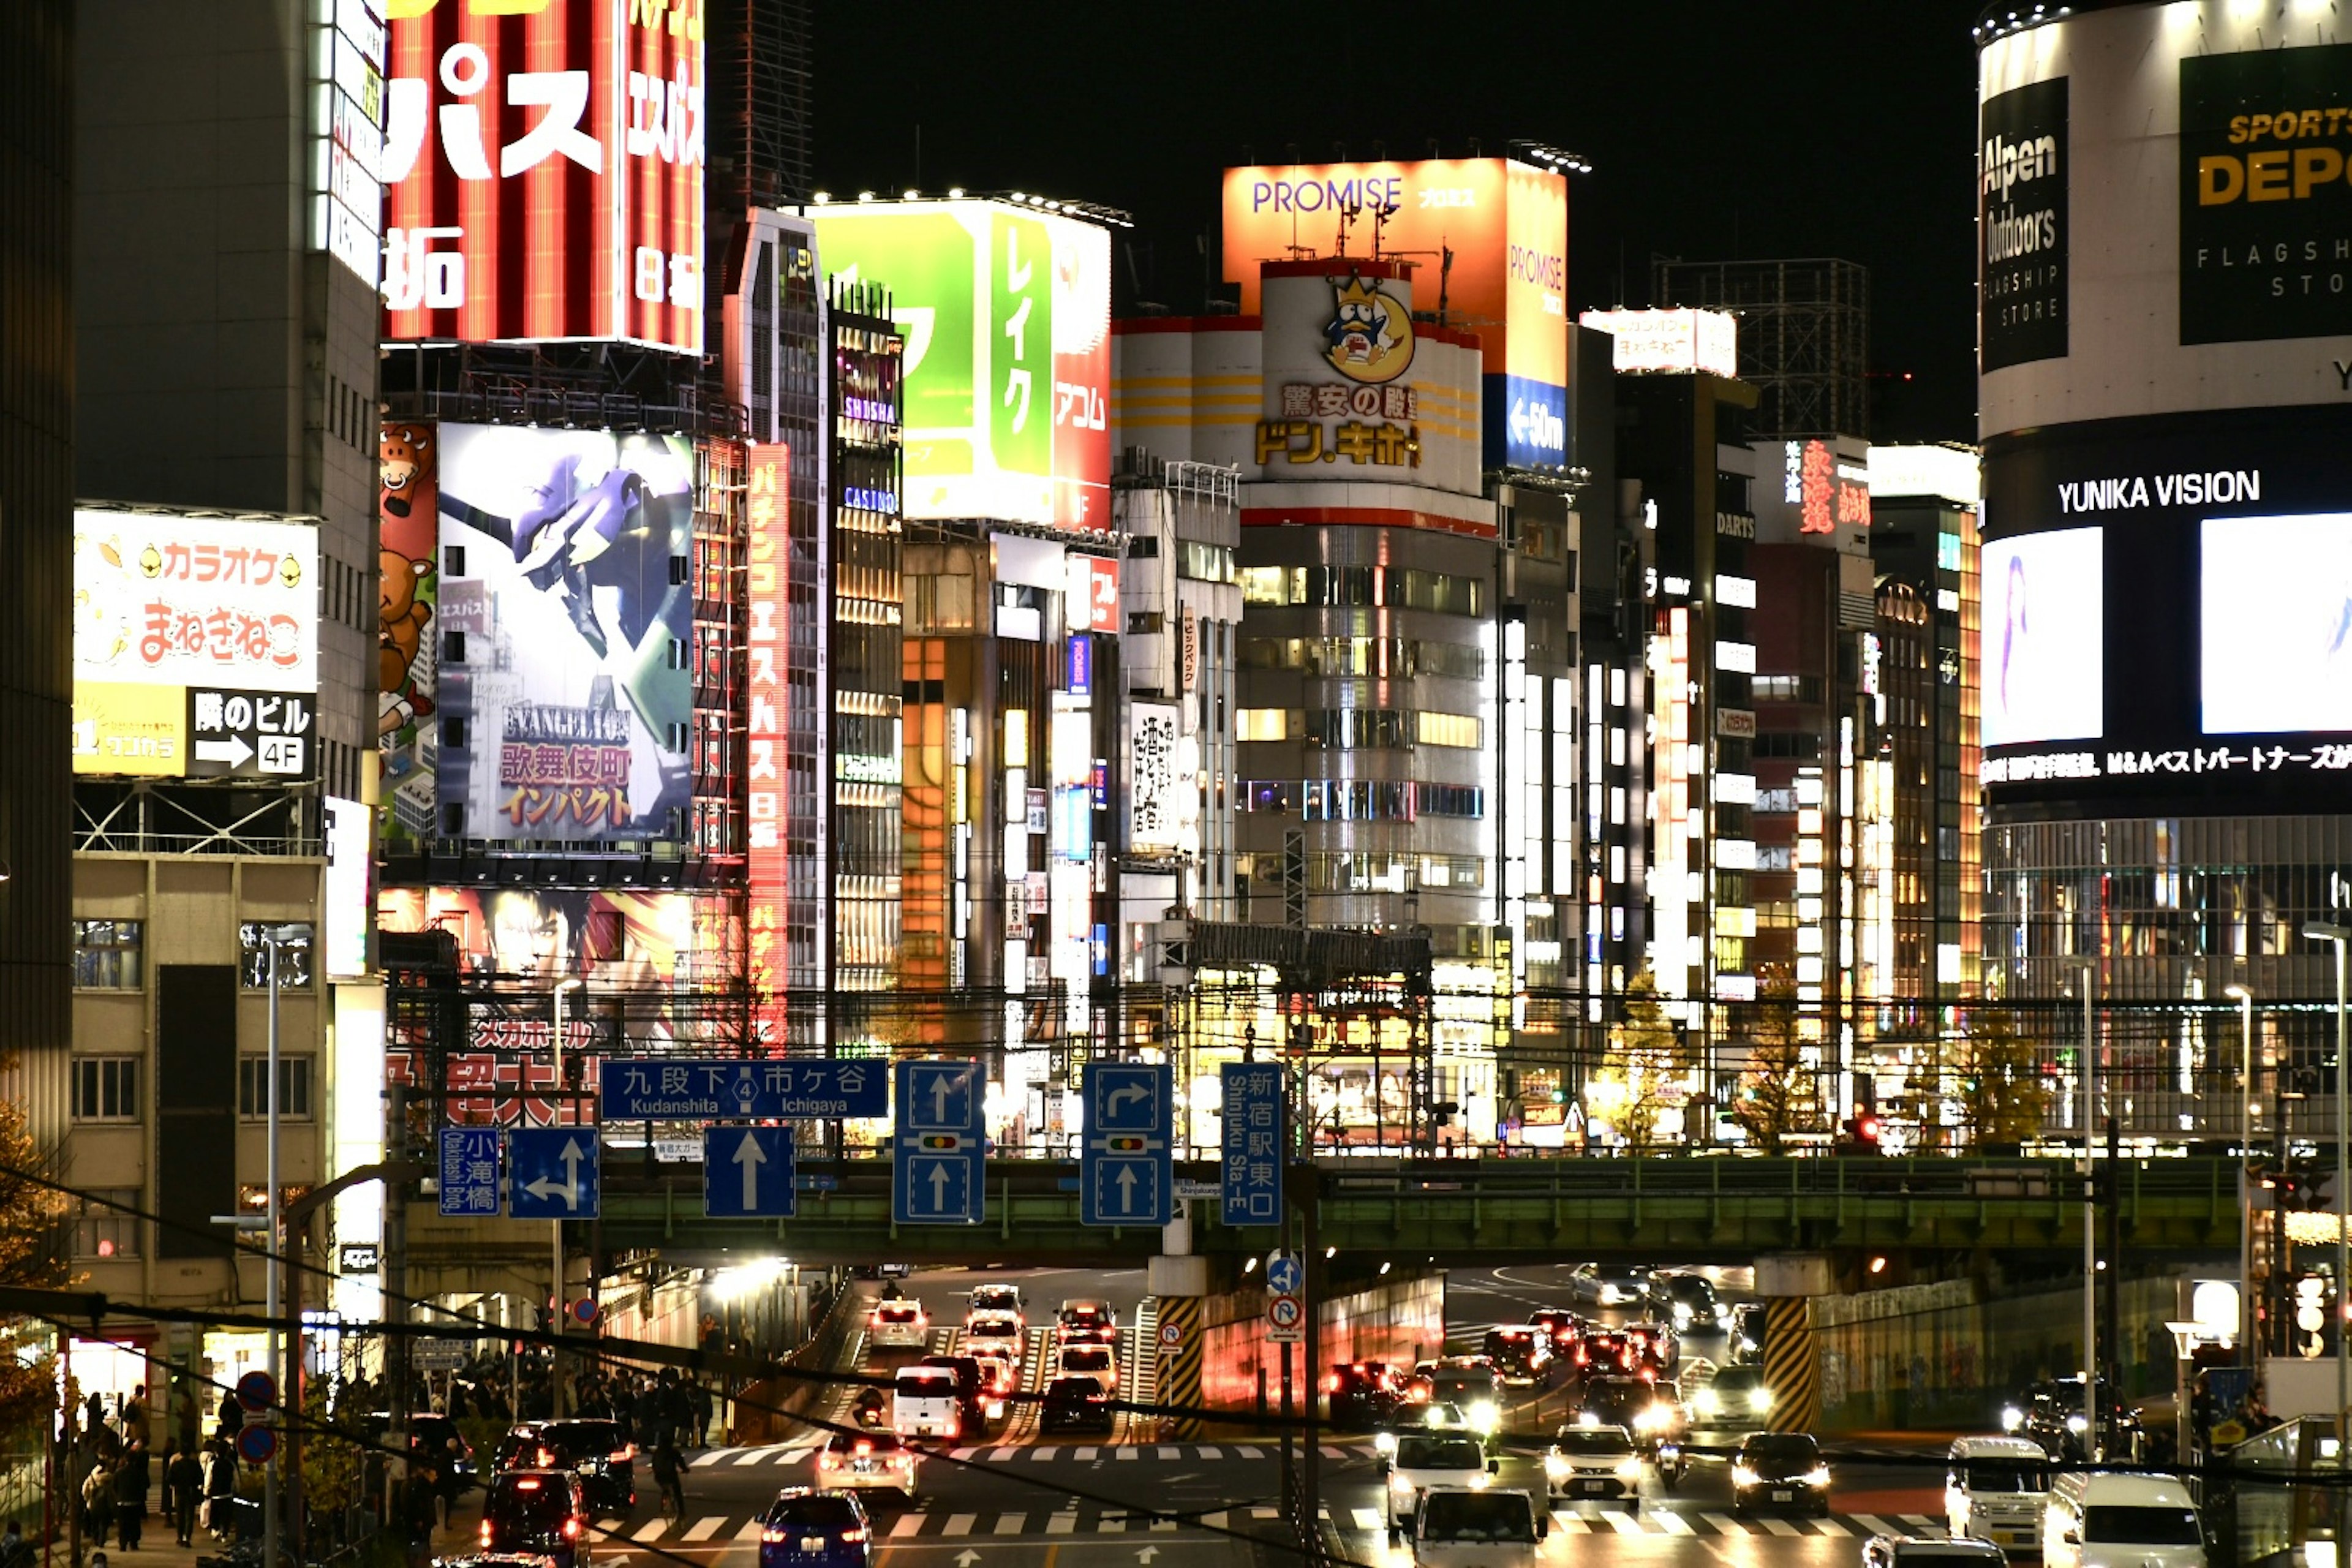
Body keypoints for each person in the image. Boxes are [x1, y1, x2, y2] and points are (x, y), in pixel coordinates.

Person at [115, 1441, 148, 1550]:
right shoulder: (139, 1472)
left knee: (123, 1524)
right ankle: (134, 1543)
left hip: (122, 1501)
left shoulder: (119, 1472)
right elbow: (146, 1484)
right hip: (135, 1501)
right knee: (134, 1523)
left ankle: (123, 1543)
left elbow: (114, 1486)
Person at [167, 1444, 202, 1547]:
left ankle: (180, 1537)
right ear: (190, 1453)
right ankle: (187, 1538)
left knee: (180, 1516)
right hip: (191, 1492)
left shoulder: (176, 1465)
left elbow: (169, 1479)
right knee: (189, 1516)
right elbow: (200, 1478)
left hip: (179, 1492)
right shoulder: (194, 1465)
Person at [649, 1437, 683, 1519]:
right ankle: (682, 1512)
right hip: (671, 1475)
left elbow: (654, 1465)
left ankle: (662, 1509)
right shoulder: (673, 1452)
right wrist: (685, 1469)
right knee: (678, 1492)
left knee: (665, 1489)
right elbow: (681, 1463)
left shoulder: (657, 1453)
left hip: (659, 1477)